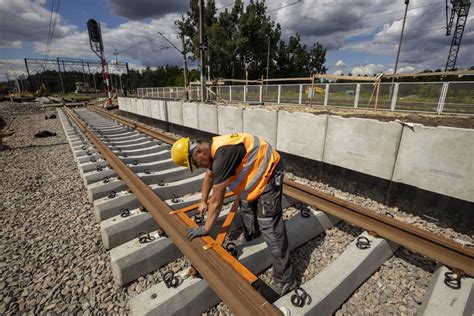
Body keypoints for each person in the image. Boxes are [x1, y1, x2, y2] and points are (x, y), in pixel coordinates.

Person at [170, 133, 297, 296]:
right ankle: (253, 235)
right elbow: (209, 175)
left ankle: (286, 280)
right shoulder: (213, 149)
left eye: (194, 163)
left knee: (270, 225)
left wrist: (206, 228)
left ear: (199, 152)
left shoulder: (222, 156)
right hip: (255, 170)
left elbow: (217, 200)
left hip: (269, 171)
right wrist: (202, 201)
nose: (198, 167)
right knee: (246, 203)